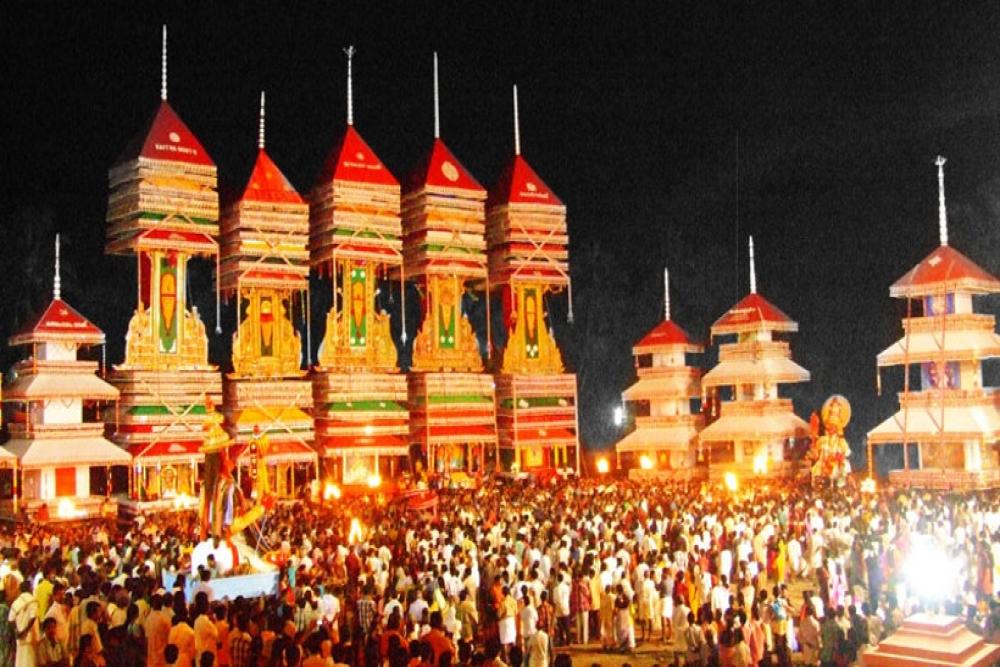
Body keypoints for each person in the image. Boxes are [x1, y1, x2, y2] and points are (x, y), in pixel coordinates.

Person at [11, 579, 40, 667]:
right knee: (30, 662)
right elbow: (33, 617)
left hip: (20, 638)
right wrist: (25, 631)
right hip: (30, 637)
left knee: (20, 661)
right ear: (29, 588)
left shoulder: (16, 602)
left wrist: (17, 631)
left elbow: (11, 620)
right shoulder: (33, 601)